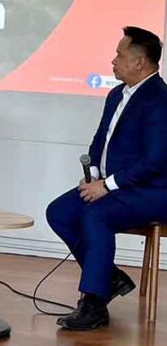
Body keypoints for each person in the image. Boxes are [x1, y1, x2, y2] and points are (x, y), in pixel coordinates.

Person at [47, 26, 167, 330]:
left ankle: (94, 303)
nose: (113, 61)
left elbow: (155, 161)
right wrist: (94, 176)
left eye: (119, 55)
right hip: (116, 187)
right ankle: (109, 277)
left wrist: (107, 185)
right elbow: (100, 141)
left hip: (152, 192)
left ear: (140, 62)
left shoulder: (159, 99)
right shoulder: (116, 94)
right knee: (59, 212)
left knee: (96, 214)